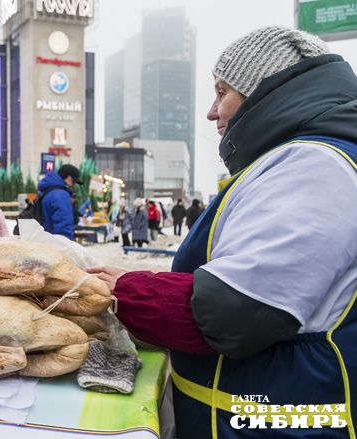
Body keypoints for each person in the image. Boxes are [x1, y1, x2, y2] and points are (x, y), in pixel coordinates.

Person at [89, 25, 357, 438]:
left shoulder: (316, 165)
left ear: (265, 92)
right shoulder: (290, 160)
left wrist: (126, 290)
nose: (212, 112)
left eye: (222, 92)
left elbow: (237, 310)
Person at [36, 164, 83, 240]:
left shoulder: (46, 192)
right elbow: (64, 226)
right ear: (69, 178)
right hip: (56, 244)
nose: (74, 186)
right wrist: (67, 245)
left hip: (45, 241)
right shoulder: (61, 195)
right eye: (74, 181)